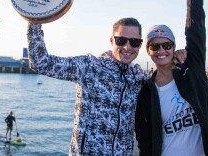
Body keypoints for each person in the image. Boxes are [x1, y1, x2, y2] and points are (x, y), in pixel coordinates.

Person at [135, 0, 208, 156]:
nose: (161, 51)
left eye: (166, 45)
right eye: (155, 46)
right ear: (148, 51)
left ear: (174, 46)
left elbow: (195, 23)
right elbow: (145, 137)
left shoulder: (192, 68)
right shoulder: (146, 90)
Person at [27, 17, 148, 155]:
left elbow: (165, 80)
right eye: (121, 40)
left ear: (140, 44)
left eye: (134, 42)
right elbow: (41, 63)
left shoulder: (138, 76)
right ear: (111, 41)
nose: (127, 47)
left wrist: (176, 57)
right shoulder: (88, 66)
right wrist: (34, 20)